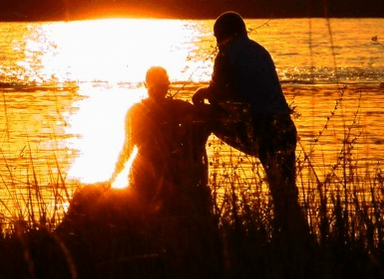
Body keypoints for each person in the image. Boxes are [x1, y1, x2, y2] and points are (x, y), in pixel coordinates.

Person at [193, 11, 309, 242]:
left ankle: (195, 183)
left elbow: (218, 94)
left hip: (263, 129)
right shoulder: (260, 50)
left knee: (201, 117)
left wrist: (201, 95)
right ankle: (298, 239)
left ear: (222, 36)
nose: (217, 44)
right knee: (286, 192)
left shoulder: (226, 53)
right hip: (285, 127)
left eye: (217, 38)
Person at [111, 67, 222, 278]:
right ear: (164, 85)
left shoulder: (142, 110)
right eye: (161, 82)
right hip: (161, 175)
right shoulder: (175, 108)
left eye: (161, 82)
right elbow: (209, 114)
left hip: (153, 175)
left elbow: (126, 149)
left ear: (147, 85)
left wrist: (112, 179)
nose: (162, 86)